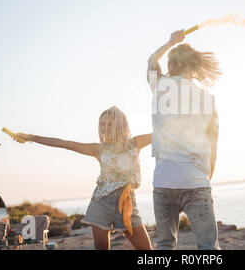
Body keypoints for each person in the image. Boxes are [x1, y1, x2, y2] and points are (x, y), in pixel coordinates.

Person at [8, 106, 153, 250]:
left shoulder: (135, 143)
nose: (104, 128)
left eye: (109, 124)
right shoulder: (99, 149)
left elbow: (163, 133)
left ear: (119, 125)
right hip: (100, 204)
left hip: (126, 203)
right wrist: (30, 137)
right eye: (102, 124)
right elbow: (64, 144)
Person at [147, 30, 221, 250]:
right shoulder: (207, 98)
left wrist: (170, 41)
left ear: (171, 64)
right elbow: (214, 142)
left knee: (165, 244)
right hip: (195, 180)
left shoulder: (159, 87)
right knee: (208, 246)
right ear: (194, 65)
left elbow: (152, 61)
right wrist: (206, 177)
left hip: (163, 180)